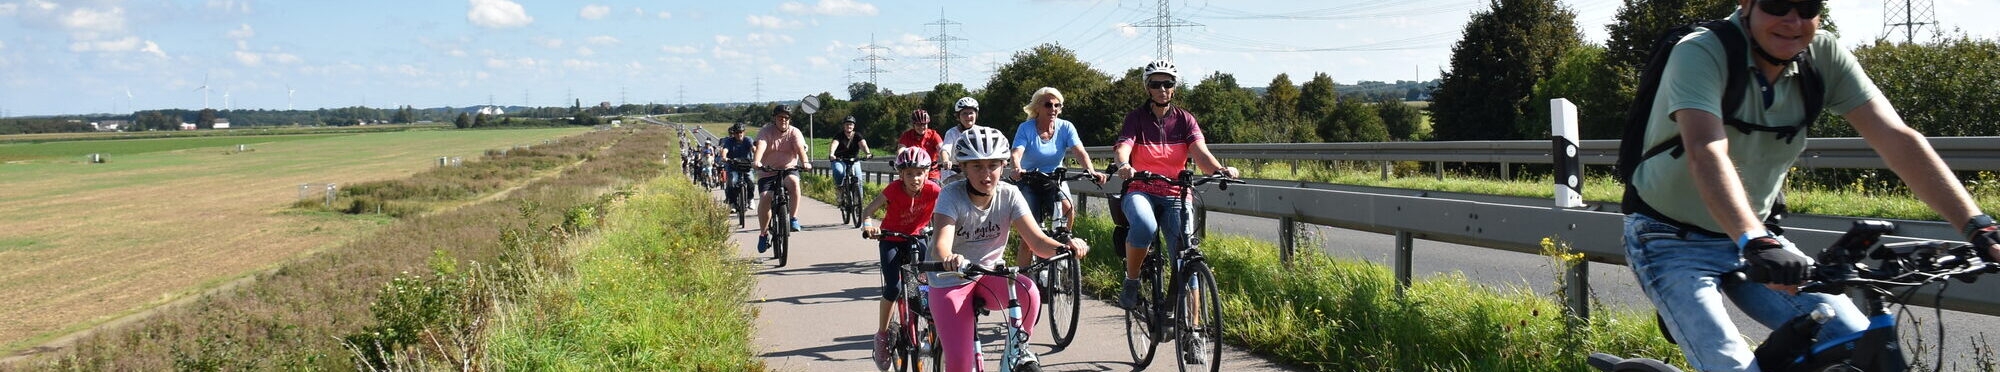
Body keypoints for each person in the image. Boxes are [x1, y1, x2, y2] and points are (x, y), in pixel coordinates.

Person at [1621, 1, 2000, 371]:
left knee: (1855, 344)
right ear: (1747, 4)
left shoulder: (1822, 54)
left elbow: (1896, 139)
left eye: (1806, 7)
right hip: (1668, 239)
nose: (1792, 19)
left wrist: (1978, 227)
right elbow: (1706, 150)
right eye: (1777, 5)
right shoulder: (1701, 51)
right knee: (1731, 363)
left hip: (1757, 237)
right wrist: (1756, 240)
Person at [928, 126, 1089, 372]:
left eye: (993, 165)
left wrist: (1063, 246)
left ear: (1003, 165)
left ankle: (1013, 354)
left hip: (989, 275)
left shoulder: (1010, 194)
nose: (986, 174)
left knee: (1028, 290)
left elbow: (1037, 241)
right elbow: (941, 244)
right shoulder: (951, 194)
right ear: (963, 167)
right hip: (951, 279)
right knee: (960, 363)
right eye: (977, 166)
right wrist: (950, 258)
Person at [1111, 60, 1238, 311]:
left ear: (1174, 87)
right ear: (1148, 87)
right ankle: (1132, 280)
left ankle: (1193, 331)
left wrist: (1220, 170)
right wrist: (1123, 164)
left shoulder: (1185, 120)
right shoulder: (1135, 118)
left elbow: (1200, 154)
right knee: (1145, 226)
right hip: (1141, 188)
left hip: (1176, 192)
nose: (1162, 89)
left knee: (1186, 257)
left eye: (1167, 83)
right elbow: (1124, 145)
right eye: (1156, 84)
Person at [859, 147, 943, 371]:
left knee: (924, 284)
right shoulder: (894, 190)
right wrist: (870, 227)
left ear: (927, 173)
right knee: (894, 287)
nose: (915, 178)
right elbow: (868, 211)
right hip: (891, 239)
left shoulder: (934, 190)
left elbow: (948, 213)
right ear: (900, 175)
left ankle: (934, 327)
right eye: (909, 174)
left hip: (917, 238)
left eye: (919, 173)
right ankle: (882, 336)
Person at [1008, 86, 1105, 265]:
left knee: (1068, 208)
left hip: (1055, 179)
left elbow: (1080, 152)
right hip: (1029, 180)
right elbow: (1016, 153)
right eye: (1048, 105)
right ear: (1038, 107)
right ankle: (1024, 284)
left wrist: (1091, 170)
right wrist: (1016, 168)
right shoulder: (1026, 128)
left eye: (1057, 105)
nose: (1053, 109)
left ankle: (1063, 244)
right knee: (1028, 239)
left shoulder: (1066, 127)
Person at [752, 104, 812, 254]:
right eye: (780, 117)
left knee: (794, 183)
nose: (783, 120)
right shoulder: (766, 131)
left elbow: (799, 147)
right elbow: (761, 145)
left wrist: (805, 162)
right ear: (774, 118)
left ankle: (793, 218)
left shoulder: (794, 132)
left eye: (786, 118)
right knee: (765, 197)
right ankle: (763, 233)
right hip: (768, 171)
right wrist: (757, 161)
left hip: (788, 169)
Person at [938, 97, 984, 182]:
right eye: (964, 113)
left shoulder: (981, 132)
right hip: (953, 174)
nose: (968, 116)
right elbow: (945, 150)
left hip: (974, 174)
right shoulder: (952, 133)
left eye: (971, 113)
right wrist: (946, 161)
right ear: (958, 116)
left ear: (976, 114)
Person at [898, 109, 944, 180]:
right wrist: (899, 159)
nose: (921, 127)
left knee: (935, 189)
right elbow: (901, 149)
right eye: (918, 124)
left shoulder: (933, 135)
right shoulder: (907, 135)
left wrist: (945, 160)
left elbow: (942, 149)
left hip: (931, 173)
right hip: (913, 174)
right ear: (913, 125)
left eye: (924, 124)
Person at [719, 124, 755, 206]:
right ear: (734, 134)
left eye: (741, 132)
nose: (739, 134)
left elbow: (753, 148)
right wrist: (724, 157)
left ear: (744, 132)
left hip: (746, 166)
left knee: (751, 180)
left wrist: (756, 155)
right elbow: (725, 149)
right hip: (733, 166)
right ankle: (732, 203)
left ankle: (750, 199)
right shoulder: (729, 141)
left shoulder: (748, 139)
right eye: (737, 133)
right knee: (731, 182)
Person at [829, 116, 870, 188]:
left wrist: (868, 153)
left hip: (854, 160)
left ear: (853, 126)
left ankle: (860, 198)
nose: (849, 126)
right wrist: (832, 154)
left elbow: (863, 145)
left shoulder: (857, 135)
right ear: (844, 125)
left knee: (859, 181)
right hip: (840, 160)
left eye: (851, 124)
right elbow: (834, 144)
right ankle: (839, 188)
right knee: (839, 172)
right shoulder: (839, 135)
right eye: (847, 124)